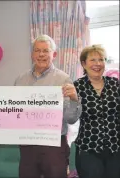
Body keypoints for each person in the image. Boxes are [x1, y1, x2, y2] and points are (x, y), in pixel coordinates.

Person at [16, 34, 81, 178]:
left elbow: (70, 119)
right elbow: (15, 112)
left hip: (54, 145)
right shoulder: (20, 80)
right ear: (32, 54)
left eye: (46, 50)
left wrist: (74, 100)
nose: (41, 54)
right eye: (37, 50)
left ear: (54, 54)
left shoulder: (63, 79)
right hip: (28, 144)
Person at [74, 45, 120, 178]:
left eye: (101, 59)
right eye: (93, 60)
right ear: (84, 63)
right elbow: (71, 117)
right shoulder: (77, 86)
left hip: (115, 148)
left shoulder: (115, 84)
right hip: (89, 148)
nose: (98, 64)